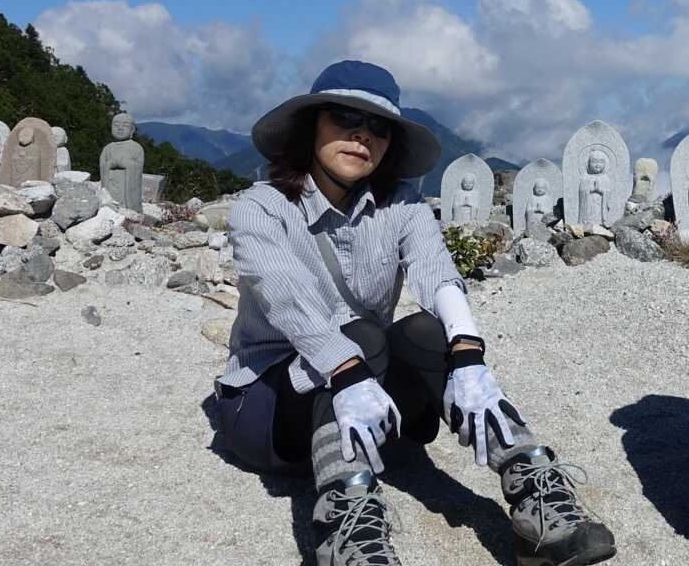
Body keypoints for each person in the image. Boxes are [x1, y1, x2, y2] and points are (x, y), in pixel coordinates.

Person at [214, 60, 616, 566]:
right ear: (310, 126)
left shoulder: (402, 205)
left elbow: (437, 274)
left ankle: (531, 488)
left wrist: (469, 357)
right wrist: (345, 367)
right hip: (269, 408)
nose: (362, 135)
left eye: (379, 126)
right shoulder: (261, 207)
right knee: (359, 336)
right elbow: (287, 297)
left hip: (364, 395)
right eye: (344, 117)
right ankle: (346, 526)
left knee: (429, 331)